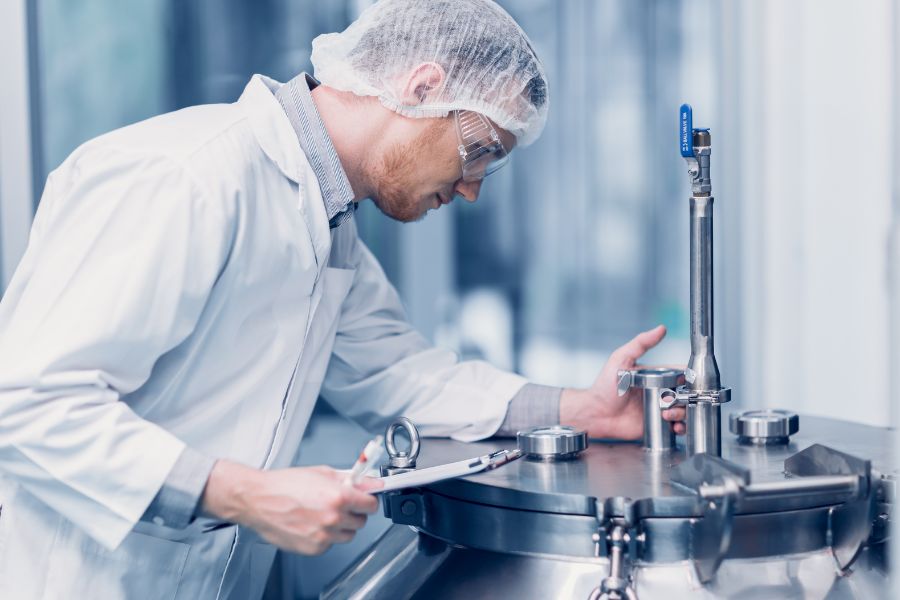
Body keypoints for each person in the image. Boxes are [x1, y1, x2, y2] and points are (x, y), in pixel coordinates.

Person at [0, 0, 685, 598]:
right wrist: (245, 493)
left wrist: (582, 410)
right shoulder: (185, 176)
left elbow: (402, 377)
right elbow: (27, 401)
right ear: (422, 85)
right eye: (479, 150)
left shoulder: (328, 223)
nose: (473, 187)